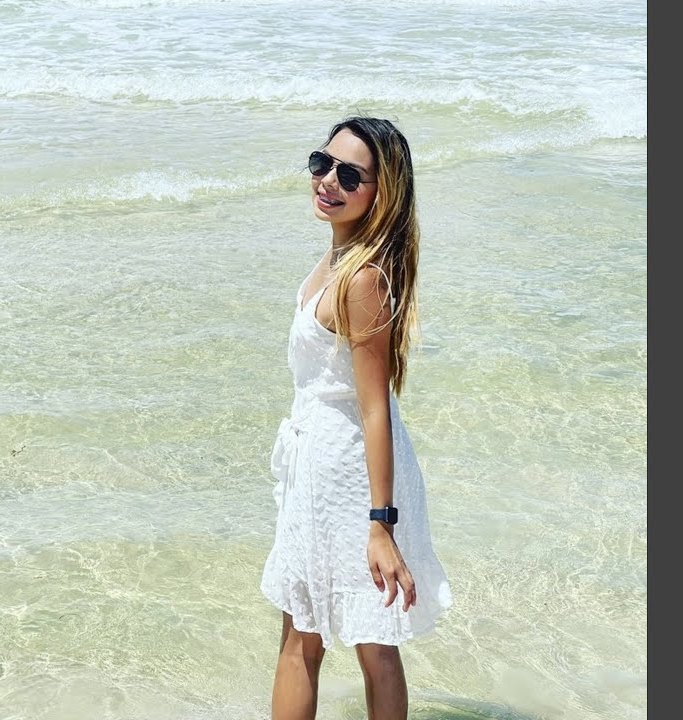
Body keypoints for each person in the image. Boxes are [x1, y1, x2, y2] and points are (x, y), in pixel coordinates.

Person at [260, 116, 453, 720]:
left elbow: (375, 407)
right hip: (318, 466)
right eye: (323, 163)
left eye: (350, 176)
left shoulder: (363, 278)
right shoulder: (336, 257)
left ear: (380, 194)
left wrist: (381, 524)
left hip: (351, 477)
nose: (328, 181)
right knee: (303, 633)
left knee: (370, 642)